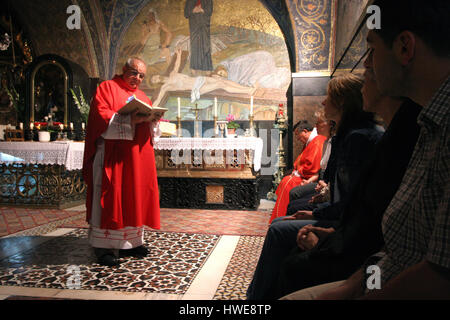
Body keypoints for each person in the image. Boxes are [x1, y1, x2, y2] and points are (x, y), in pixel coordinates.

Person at [285, 0, 450, 300]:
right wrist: (354, 283)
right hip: (373, 274)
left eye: (372, 49)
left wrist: (354, 291)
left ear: (404, 48)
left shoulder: (428, 128)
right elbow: (397, 243)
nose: (366, 64)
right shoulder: (427, 123)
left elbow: (441, 274)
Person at [247, 73, 383, 299]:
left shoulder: (358, 138)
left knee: (279, 229)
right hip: (345, 220)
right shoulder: (351, 135)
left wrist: (316, 214)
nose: (322, 102)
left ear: (342, 103)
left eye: (328, 97)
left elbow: (351, 200)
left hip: (351, 231)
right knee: (283, 219)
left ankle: (257, 299)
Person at [83, 57, 163, 267]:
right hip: (112, 156)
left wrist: (152, 121)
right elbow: (100, 116)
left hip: (135, 158)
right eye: (134, 73)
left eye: (141, 75)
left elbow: (150, 131)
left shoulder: (142, 96)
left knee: (133, 196)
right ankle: (104, 247)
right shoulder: (107, 88)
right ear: (124, 69)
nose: (137, 78)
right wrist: (129, 120)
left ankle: (132, 242)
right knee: (111, 196)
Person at [150, 48, 256, 107]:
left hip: (199, 80)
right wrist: (152, 109)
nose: (156, 78)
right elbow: (158, 99)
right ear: (156, 83)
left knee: (221, 80)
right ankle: (247, 91)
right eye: (154, 80)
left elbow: (176, 65)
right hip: (197, 88)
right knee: (220, 84)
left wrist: (178, 54)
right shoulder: (166, 87)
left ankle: (247, 89)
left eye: (155, 77)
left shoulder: (172, 74)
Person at [268, 119, 328, 224]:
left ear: (305, 131)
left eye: (298, 135)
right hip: (306, 175)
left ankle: (281, 217)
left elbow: (312, 167)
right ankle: (279, 215)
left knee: (288, 183)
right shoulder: (311, 141)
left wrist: (300, 173)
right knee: (286, 180)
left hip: (311, 177)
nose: (297, 138)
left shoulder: (317, 142)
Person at [184, 0, 213, 75]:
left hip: (204, 24)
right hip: (194, 24)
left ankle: (207, 67)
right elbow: (186, 13)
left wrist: (201, 9)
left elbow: (209, 10)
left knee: (205, 44)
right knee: (195, 45)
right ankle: (194, 66)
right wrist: (193, 10)